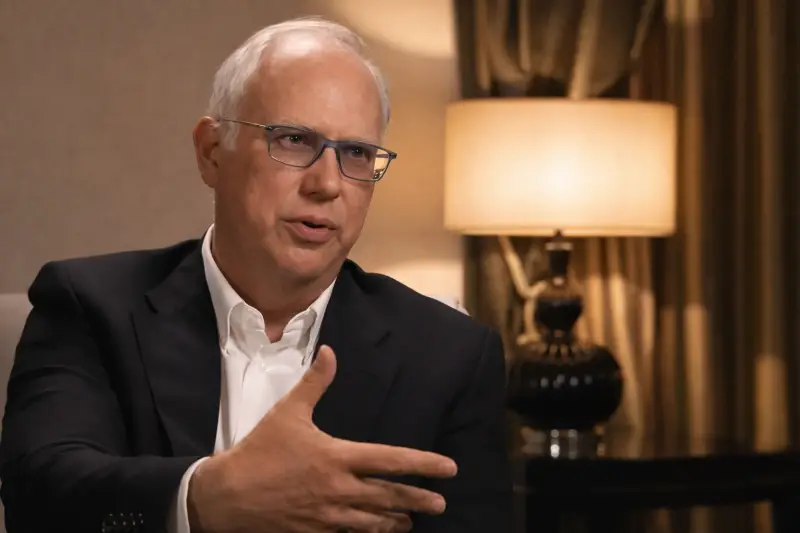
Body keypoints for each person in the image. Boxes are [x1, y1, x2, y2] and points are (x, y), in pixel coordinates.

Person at [0, 16, 511, 533]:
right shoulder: (91, 306)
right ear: (211, 152)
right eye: (294, 140)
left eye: (356, 153)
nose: (327, 184)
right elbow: (38, 494)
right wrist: (202, 498)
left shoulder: (450, 356)